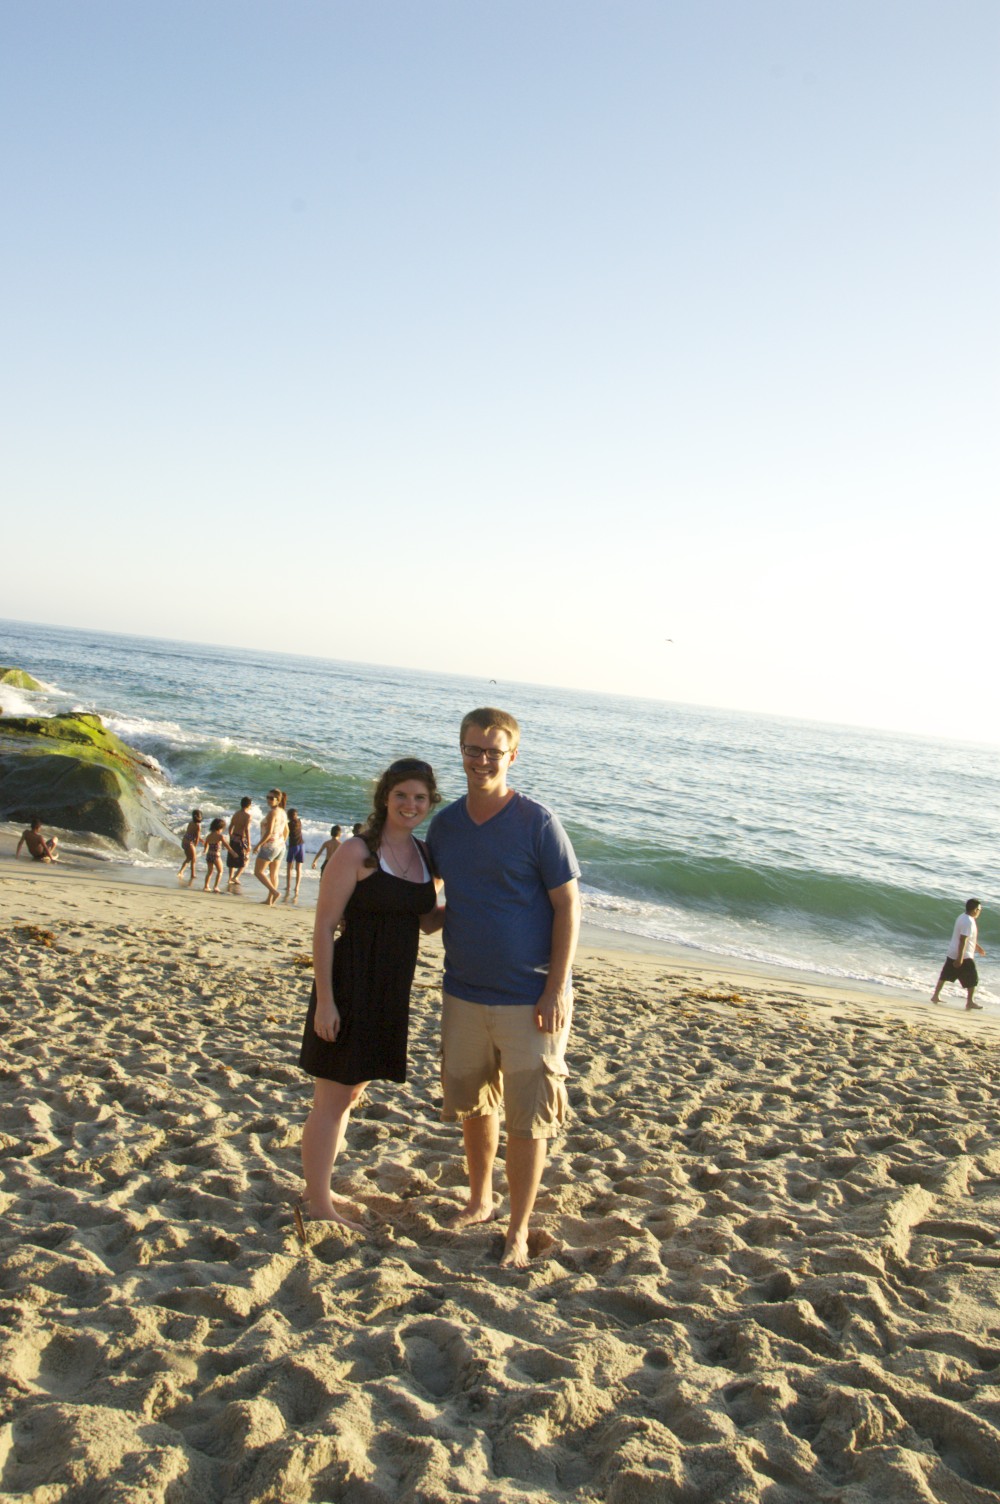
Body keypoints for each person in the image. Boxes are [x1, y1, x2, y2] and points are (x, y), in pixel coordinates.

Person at [426, 707, 581, 1268]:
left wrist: (555, 989)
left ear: (512, 755)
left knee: (528, 1117)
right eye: (473, 749)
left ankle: (518, 1228)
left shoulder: (538, 822)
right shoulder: (445, 826)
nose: (482, 760)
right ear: (461, 750)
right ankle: (480, 1200)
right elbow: (430, 903)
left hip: (530, 997)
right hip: (464, 991)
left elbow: (568, 907)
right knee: (474, 1105)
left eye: (493, 751)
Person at [296, 758, 442, 1237]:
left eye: (419, 798)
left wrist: (475, 902)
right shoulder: (358, 851)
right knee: (332, 1097)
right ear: (385, 797)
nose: (410, 805)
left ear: (430, 802)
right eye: (401, 795)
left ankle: (318, 1187)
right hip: (351, 982)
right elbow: (323, 927)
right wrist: (326, 1001)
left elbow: (425, 921)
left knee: (352, 1090)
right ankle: (319, 1203)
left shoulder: (424, 854)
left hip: (390, 987)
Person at [931, 899, 986, 1010]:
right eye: (979, 909)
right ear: (975, 910)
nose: (980, 911)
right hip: (964, 955)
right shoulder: (968, 921)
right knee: (973, 979)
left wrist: (977, 947)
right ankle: (970, 1002)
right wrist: (960, 958)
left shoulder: (963, 917)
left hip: (953, 952)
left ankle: (935, 996)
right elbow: (963, 940)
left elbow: (968, 938)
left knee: (945, 975)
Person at [253, 790, 288, 905]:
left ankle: (274, 892)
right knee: (274, 874)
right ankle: (270, 900)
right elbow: (286, 831)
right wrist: (281, 842)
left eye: (271, 798)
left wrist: (258, 845)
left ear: (278, 800)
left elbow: (269, 832)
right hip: (280, 846)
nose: (268, 800)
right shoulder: (283, 812)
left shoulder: (272, 813)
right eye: (267, 797)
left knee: (258, 872)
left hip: (270, 846)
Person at [226, 797, 253, 890]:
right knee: (245, 859)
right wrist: (249, 843)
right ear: (249, 805)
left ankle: (230, 878)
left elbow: (230, 827)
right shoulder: (247, 816)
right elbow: (247, 830)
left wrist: (231, 836)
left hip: (234, 838)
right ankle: (236, 877)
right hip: (241, 839)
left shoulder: (236, 813)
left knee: (232, 859)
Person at [202, 818, 234, 893]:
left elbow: (206, 844)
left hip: (209, 855)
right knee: (220, 871)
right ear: (220, 828)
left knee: (209, 872)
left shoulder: (209, 836)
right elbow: (226, 845)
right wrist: (233, 852)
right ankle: (215, 887)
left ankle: (206, 886)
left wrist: (205, 850)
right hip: (216, 856)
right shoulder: (220, 836)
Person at [285, 808, 305, 903]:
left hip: (293, 846)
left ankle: (288, 886)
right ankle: (297, 887)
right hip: (302, 846)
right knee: (299, 868)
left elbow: (285, 833)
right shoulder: (299, 822)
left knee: (289, 868)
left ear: (288, 816)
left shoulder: (289, 825)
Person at [178, 810, 202, 882]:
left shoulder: (191, 823)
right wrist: (195, 845)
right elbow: (197, 838)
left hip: (184, 841)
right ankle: (192, 874)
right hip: (190, 843)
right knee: (193, 859)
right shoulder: (198, 826)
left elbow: (192, 834)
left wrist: (202, 840)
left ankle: (181, 871)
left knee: (188, 858)